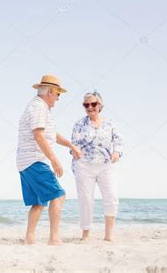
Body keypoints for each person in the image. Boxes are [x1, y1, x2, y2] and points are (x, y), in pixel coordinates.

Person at [16, 75, 81, 245]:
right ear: (51, 92)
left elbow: (51, 135)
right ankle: (54, 239)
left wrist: (71, 146)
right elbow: (38, 135)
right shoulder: (39, 108)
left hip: (26, 161)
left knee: (38, 202)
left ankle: (29, 239)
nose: (58, 99)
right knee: (59, 195)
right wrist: (54, 159)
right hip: (35, 160)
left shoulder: (40, 108)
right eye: (58, 94)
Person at [71, 91, 123, 242]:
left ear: (100, 105)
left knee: (112, 198)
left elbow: (119, 142)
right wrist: (74, 151)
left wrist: (117, 153)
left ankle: (109, 235)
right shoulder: (79, 124)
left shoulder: (110, 124)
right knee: (86, 200)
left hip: (106, 165)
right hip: (84, 165)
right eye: (86, 105)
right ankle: (86, 234)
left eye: (93, 104)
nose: (90, 107)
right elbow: (74, 144)